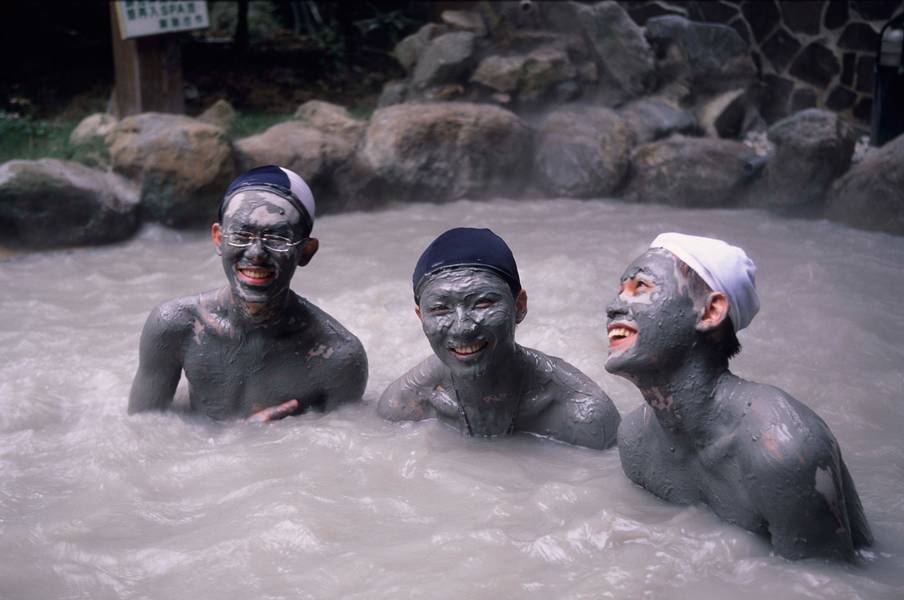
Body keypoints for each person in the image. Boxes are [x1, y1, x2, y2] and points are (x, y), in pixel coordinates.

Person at [606, 232, 872, 560]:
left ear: (710, 311)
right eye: (620, 290)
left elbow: (826, 585)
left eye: (640, 287)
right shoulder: (635, 442)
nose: (613, 306)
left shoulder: (784, 448)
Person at [128, 165, 367, 421]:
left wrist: (260, 447)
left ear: (306, 252)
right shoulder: (174, 326)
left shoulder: (338, 358)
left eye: (277, 239)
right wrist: (239, 442)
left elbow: (335, 450)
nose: (256, 253)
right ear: (219, 239)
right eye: (241, 235)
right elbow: (142, 435)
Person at [378, 227, 620, 449]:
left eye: (482, 303)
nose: (462, 328)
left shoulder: (583, 414)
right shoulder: (403, 405)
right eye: (441, 309)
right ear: (421, 317)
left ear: (520, 306)